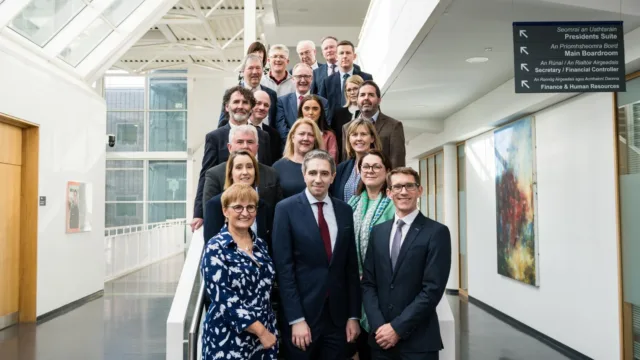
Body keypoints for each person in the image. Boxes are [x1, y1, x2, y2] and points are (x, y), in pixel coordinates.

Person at [272, 149, 361, 360]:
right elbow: (284, 269)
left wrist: (353, 315)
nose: (318, 179)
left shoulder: (345, 210)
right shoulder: (285, 209)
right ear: (304, 176)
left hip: (338, 320)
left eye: (324, 173)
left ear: (333, 176)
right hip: (303, 318)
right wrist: (296, 319)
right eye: (312, 173)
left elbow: (350, 266)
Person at [361, 167, 452, 360]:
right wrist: (380, 327)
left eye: (410, 186)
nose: (403, 192)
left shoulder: (436, 233)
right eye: (398, 187)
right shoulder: (378, 232)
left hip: (418, 343)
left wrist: (397, 328)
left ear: (420, 191)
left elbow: (432, 290)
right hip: (380, 341)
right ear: (389, 192)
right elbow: (368, 283)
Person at [200, 183, 278, 360]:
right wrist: (261, 331)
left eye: (251, 207)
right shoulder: (215, 247)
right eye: (238, 207)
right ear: (225, 211)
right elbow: (225, 300)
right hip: (227, 339)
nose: (245, 213)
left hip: (263, 340)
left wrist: (267, 332)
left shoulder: (261, 246)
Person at [191, 89, 272, 232]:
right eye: (236, 102)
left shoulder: (263, 136)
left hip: (257, 207)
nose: (240, 106)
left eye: (245, 102)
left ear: (251, 107)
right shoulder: (214, 137)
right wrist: (199, 213)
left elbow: (266, 170)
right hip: (227, 206)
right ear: (227, 107)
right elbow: (206, 174)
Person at [346, 150, 396, 360]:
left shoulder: (394, 205)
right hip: (355, 290)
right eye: (366, 166)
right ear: (359, 170)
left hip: (384, 289)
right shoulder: (352, 205)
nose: (371, 171)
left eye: (377, 166)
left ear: (387, 171)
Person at [203, 150, 273, 251]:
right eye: (239, 167)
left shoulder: (263, 205)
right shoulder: (215, 205)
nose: (245, 172)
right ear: (231, 173)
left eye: (249, 167)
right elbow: (211, 248)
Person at [342, 81, 406, 169]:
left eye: (371, 95)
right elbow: (346, 159)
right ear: (357, 100)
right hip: (354, 180)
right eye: (362, 95)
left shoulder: (394, 126)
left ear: (379, 100)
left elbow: (397, 162)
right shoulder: (347, 128)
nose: (366, 98)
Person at [218, 54, 278, 126]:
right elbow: (223, 123)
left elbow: (274, 123)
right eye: (250, 68)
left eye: (258, 68)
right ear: (243, 71)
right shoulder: (232, 94)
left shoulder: (271, 94)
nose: (255, 72)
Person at [318, 40, 372, 119]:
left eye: (348, 53)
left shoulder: (366, 78)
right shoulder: (327, 82)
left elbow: (373, 104)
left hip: (361, 124)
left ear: (354, 56)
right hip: (335, 127)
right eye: (341, 53)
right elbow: (322, 107)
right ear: (336, 56)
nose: (344, 56)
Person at [272, 119, 324, 199]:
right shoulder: (278, 167)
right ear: (293, 137)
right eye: (301, 134)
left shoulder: (324, 166)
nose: (306, 138)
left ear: (315, 139)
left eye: (310, 135)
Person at [332, 119, 382, 202]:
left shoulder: (380, 166)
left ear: (372, 138)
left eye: (363, 134)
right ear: (349, 139)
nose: (359, 138)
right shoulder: (342, 168)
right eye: (354, 135)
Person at [332, 75, 364, 162]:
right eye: (349, 90)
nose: (352, 92)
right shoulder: (338, 113)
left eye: (355, 89)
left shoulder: (366, 112)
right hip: (343, 158)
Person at [298, 94, 338, 163]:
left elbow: (332, 163)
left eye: (315, 109)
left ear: (320, 112)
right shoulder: (295, 133)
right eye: (307, 108)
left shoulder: (329, 136)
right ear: (301, 111)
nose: (310, 112)